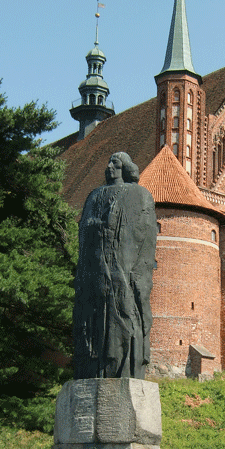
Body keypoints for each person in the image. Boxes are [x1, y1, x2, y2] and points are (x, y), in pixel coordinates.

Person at [73, 151, 157, 380]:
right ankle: (92, 367)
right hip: (95, 268)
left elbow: (145, 235)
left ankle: (123, 367)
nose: (109, 166)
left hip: (123, 270)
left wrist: (139, 273)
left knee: (124, 315)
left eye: (116, 163)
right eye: (108, 162)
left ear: (126, 168)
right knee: (92, 319)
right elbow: (83, 230)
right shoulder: (94, 195)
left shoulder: (139, 195)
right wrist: (100, 226)